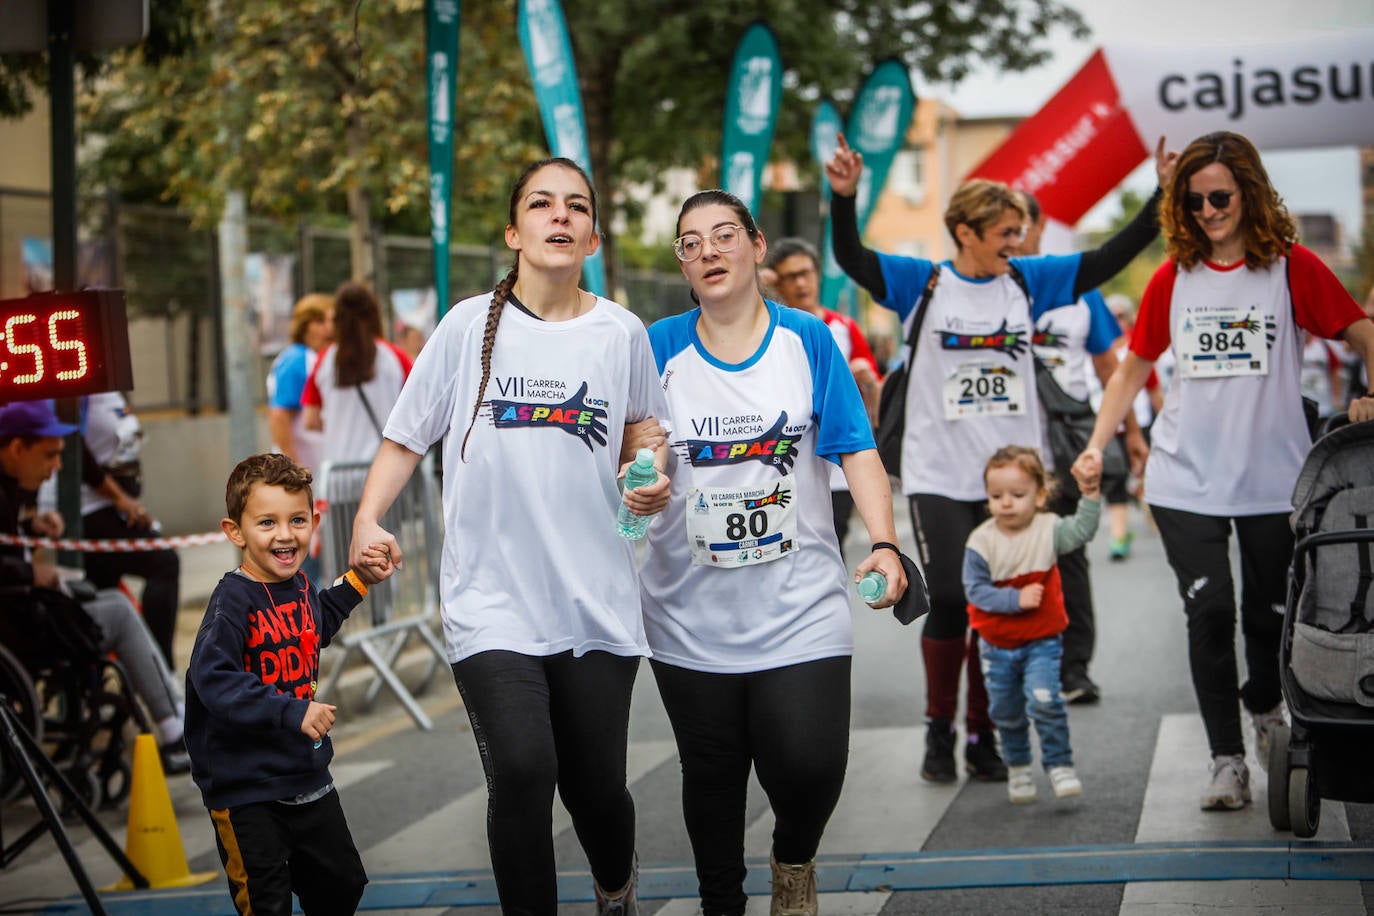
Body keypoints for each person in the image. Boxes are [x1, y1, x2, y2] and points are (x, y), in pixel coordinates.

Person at [347, 157, 671, 915]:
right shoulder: (465, 328)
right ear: (513, 230)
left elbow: (645, 442)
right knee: (524, 770)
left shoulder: (620, 332)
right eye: (541, 204)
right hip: (491, 602)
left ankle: (615, 886)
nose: (559, 217)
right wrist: (367, 517)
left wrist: (650, 483)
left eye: (576, 207)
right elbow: (405, 437)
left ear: (592, 235)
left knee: (596, 794)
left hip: (595, 604)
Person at [827, 131, 1178, 784]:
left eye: (1020, 230)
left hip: (1012, 478)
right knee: (956, 599)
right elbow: (852, 257)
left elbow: (1109, 256)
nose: (1017, 240)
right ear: (965, 231)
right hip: (937, 473)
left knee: (997, 606)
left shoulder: (1029, 281)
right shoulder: (921, 283)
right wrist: (842, 199)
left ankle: (981, 735)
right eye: (1005, 231)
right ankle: (939, 728)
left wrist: (1159, 192)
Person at [1074, 130, 1374, 812]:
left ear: (1250, 192)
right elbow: (1132, 369)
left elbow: (1363, 333)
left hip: (1276, 480)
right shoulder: (1170, 279)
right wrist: (1096, 444)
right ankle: (1227, 761)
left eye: (1221, 197)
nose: (1208, 210)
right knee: (1209, 614)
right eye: (1195, 199)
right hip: (1187, 479)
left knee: (1269, 619)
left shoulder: (1292, 270)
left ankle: (1266, 705)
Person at [639, 189, 907, 916]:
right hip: (688, 612)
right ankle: (720, 901)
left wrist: (885, 543)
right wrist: (643, 480)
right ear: (683, 265)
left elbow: (856, 450)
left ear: (758, 246)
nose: (709, 251)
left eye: (724, 234)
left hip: (801, 604)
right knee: (714, 774)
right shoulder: (655, 346)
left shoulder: (808, 341)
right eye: (690, 243)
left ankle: (794, 856)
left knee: (810, 764)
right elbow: (635, 453)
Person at [185, 453, 393, 916]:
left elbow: (315, 622)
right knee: (265, 903)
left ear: (314, 521)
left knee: (342, 886)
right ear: (235, 531)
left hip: (306, 776)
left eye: (297, 519)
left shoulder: (298, 585)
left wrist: (359, 580)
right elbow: (213, 678)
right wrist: (292, 710)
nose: (285, 534)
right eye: (266, 522)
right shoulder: (232, 602)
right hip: (245, 789)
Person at [0, 400, 189, 773]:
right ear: (17, 448)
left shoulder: (12, 492)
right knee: (118, 611)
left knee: (103, 599)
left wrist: (31, 530)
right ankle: (172, 727)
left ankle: (172, 713)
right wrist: (30, 574)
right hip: (17, 625)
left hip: (22, 614)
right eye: (49, 456)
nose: (57, 467)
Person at [1018, 192, 1145, 704]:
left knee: (1068, 558)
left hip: (1063, 449)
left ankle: (1076, 669)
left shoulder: (1079, 288)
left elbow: (1110, 370)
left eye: (1017, 225)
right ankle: (1017, 668)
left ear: (1037, 225)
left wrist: (1132, 434)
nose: (1010, 236)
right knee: (1008, 561)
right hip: (1000, 456)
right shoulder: (982, 286)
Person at [963, 445, 1100, 804]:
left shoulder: (1048, 530)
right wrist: (1015, 599)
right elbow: (975, 591)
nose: (1006, 503)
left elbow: (1082, 531)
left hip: (1042, 640)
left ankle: (1059, 764)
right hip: (995, 645)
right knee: (1006, 713)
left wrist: (1089, 495)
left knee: (1045, 702)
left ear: (1040, 496)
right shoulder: (981, 541)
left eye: (1017, 495)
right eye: (996, 496)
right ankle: (1019, 768)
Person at [765, 236, 882, 556]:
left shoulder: (843, 327)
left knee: (828, 545)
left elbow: (875, 393)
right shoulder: (767, 333)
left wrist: (868, 380)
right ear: (777, 282)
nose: (801, 283)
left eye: (806, 273)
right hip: (782, 464)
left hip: (836, 469)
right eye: (790, 277)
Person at [302, 282, 412, 465]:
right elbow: (414, 410)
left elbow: (310, 420)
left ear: (337, 319)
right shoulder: (395, 357)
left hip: (339, 471)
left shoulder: (325, 361)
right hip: (384, 471)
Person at [268, 293, 333, 471]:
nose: (328, 328)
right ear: (304, 327)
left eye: (330, 321)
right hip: (304, 469)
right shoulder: (298, 359)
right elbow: (279, 416)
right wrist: (294, 466)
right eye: (320, 322)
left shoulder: (314, 357)